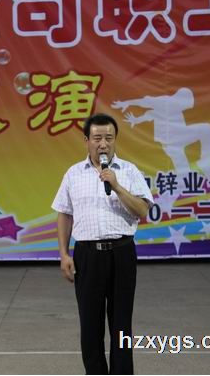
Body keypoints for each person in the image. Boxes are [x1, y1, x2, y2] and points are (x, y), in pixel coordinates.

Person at [53, 113, 153, 375]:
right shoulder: (74, 174)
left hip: (121, 254)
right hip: (87, 256)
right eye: (97, 138)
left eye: (109, 138)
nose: (103, 144)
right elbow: (64, 214)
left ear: (115, 140)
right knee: (90, 324)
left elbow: (142, 210)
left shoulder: (129, 171)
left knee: (121, 324)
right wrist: (64, 254)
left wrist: (117, 186)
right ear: (86, 140)